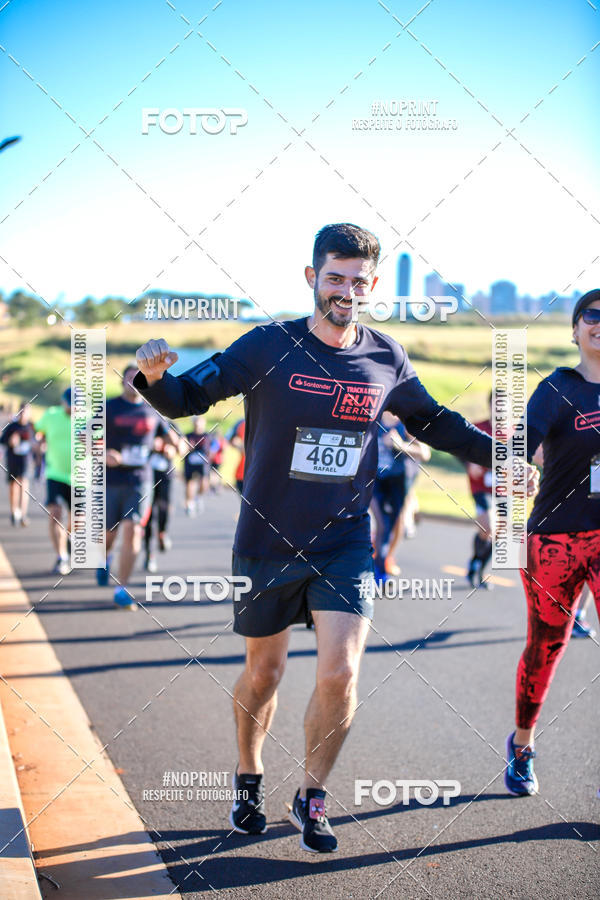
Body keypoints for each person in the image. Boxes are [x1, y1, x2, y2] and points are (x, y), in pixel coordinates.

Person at [134, 223, 537, 853]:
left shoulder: (386, 357)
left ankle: (312, 794)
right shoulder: (268, 346)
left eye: (358, 281)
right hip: (267, 537)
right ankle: (248, 774)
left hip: (345, 541)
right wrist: (157, 377)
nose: (346, 291)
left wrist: (500, 455)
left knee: (341, 672)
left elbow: (433, 422)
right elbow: (189, 398)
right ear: (311, 278)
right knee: (263, 673)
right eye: (334, 278)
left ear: (372, 286)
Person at [505, 288, 600, 796]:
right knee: (546, 647)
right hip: (554, 540)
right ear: (575, 328)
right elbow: (521, 442)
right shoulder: (558, 388)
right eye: (592, 315)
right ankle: (522, 745)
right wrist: (519, 467)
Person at [100, 364, 161, 609]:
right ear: (122, 382)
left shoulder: (153, 409)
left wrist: (173, 446)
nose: (134, 382)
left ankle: (122, 588)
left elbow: (172, 438)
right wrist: (103, 454)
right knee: (109, 534)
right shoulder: (109, 407)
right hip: (111, 481)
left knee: (133, 531)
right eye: (129, 378)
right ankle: (105, 557)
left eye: (138, 378)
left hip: (140, 480)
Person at [35, 388, 72, 575]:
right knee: (55, 513)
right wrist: (38, 440)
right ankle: (61, 557)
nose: (73, 409)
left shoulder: (90, 418)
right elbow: (37, 430)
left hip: (81, 477)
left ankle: (68, 539)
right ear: (63, 402)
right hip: (55, 474)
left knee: (78, 521)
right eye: (70, 405)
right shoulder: (51, 415)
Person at [464, 396, 494, 589]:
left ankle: (479, 570)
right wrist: (469, 463)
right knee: (488, 526)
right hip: (481, 488)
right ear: (490, 406)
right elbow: (458, 448)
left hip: (504, 490)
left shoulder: (514, 432)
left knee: (496, 532)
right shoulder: (478, 427)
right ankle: (475, 562)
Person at [144, 424, 179, 572]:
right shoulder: (144, 422)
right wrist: (149, 445)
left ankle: (162, 533)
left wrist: (172, 448)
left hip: (165, 477)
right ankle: (149, 555)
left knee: (164, 509)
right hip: (146, 478)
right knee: (148, 516)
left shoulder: (170, 425)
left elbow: (183, 447)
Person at [1, 403, 35, 526]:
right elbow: (2, 441)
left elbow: (36, 441)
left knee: (24, 485)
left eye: (26, 411)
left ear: (29, 413)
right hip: (13, 461)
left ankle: (23, 514)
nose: (23, 414)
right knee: (13, 487)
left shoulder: (31, 426)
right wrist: (10, 441)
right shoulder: (12, 426)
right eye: (21, 411)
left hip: (26, 461)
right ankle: (14, 512)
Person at [183, 416, 211, 515]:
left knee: (204, 484)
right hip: (190, 462)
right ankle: (190, 505)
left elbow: (215, 447)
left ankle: (198, 497)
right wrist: (187, 448)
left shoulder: (207, 436)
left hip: (203, 463)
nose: (198, 424)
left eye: (200, 422)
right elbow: (182, 448)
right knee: (190, 483)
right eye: (196, 422)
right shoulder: (188, 435)